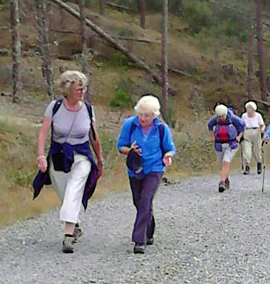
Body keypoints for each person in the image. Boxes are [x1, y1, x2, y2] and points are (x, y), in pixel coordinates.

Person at [32, 70, 103, 254]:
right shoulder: (54, 107)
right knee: (66, 195)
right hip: (59, 156)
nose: (82, 92)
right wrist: (40, 156)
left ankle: (68, 236)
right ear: (67, 89)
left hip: (81, 155)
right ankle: (75, 225)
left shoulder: (88, 109)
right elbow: (43, 133)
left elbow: (94, 137)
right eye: (78, 89)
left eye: (83, 89)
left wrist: (99, 159)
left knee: (74, 189)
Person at [117, 95, 175, 254]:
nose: (143, 118)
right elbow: (120, 146)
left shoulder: (162, 128)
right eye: (140, 114)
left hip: (154, 169)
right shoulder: (130, 124)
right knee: (139, 202)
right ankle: (149, 229)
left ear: (154, 115)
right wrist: (130, 151)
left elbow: (169, 148)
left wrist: (167, 156)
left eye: (147, 115)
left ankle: (138, 240)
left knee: (145, 200)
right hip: (135, 169)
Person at [208, 104, 245, 192]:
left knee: (225, 162)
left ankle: (221, 182)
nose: (221, 118)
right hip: (219, 144)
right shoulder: (215, 119)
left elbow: (243, 125)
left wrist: (239, 136)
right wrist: (212, 136)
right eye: (219, 116)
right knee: (222, 164)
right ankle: (226, 179)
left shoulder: (232, 118)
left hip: (231, 144)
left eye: (222, 116)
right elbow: (209, 125)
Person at [240, 101, 266, 175]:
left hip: (256, 132)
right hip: (247, 132)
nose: (248, 110)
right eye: (247, 108)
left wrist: (262, 130)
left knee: (257, 150)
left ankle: (259, 164)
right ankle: (247, 166)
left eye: (250, 108)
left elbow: (262, 125)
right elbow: (241, 125)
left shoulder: (258, 115)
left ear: (253, 109)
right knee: (246, 150)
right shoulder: (244, 116)